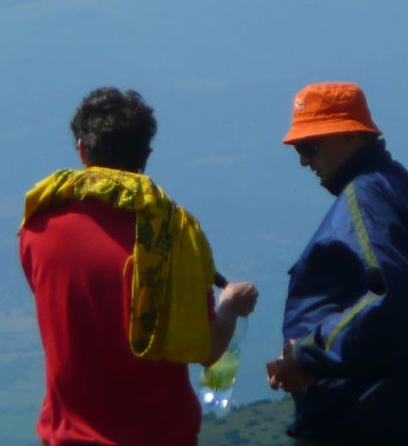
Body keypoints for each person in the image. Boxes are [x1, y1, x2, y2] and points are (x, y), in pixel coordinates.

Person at [19, 87, 258, 446]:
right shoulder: (174, 235)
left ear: (82, 150)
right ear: (145, 156)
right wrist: (230, 307)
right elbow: (208, 350)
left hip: (67, 436)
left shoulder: (38, 228)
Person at [267, 82, 408, 446]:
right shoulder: (395, 188)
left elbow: (387, 299)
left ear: (350, 136)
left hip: (364, 423)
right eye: (298, 149)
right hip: (396, 418)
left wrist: (306, 355)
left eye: (309, 147)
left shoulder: (368, 197)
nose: (304, 161)